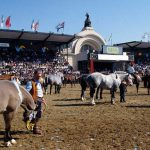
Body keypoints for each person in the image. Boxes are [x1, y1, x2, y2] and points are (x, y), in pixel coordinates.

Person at [24, 69, 45, 135]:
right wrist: (31, 102)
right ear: (35, 74)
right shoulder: (30, 82)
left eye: (40, 74)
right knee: (34, 115)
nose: (40, 76)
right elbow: (26, 93)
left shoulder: (38, 82)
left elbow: (39, 91)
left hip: (39, 100)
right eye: (38, 74)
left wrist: (42, 98)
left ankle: (33, 126)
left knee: (38, 115)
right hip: (34, 101)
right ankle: (35, 128)